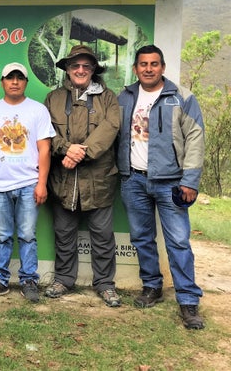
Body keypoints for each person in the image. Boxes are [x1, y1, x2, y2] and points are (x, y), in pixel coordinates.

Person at [117, 45, 206, 329]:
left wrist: (190, 181)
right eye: (143, 64)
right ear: (135, 69)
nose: (148, 69)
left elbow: (195, 138)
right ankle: (152, 287)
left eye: (154, 64)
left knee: (178, 242)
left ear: (163, 67)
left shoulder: (181, 97)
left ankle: (188, 301)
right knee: (142, 237)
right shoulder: (125, 96)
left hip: (171, 183)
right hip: (133, 179)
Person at [43, 45, 121, 307]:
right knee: (64, 233)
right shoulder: (53, 98)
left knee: (102, 235)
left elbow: (109, 129)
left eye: (86, 66)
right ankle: (63, 279)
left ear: (93, 71)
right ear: (67, 68)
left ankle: (105, 284)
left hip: (99, 180)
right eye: (75, 65)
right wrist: (65, 149)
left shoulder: (108, 98)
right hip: (62, 181)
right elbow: (45, 133)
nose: (80, 70)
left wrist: (79, 154)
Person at [0, 62, 54, 302]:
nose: (15, 82)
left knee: (28, 234)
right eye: (10, 78)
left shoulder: (38, 110)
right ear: (3, 82)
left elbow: (45, 149)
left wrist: (42, 183)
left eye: (20, 78)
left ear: (26, 82)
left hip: (29, 182)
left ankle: (29, 280)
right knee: (2, 234)